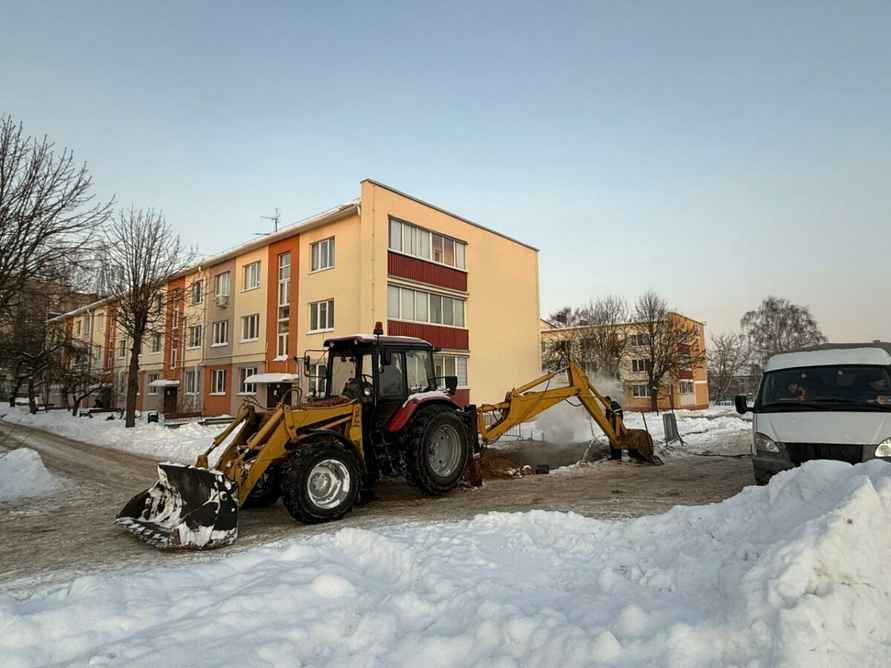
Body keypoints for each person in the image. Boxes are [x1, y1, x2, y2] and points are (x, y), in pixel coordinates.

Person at [604, 396, 623, 461]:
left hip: (616, 426)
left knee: (617, 440)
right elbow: (607, 416)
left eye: (606, 401)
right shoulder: (608, 407)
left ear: (609, 400)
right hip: (611, 427)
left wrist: (614, 424)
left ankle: (618, 457)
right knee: (612, 441)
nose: (605, 403)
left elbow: (618, 415)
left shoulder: (615, 405)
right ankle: (613, 456)